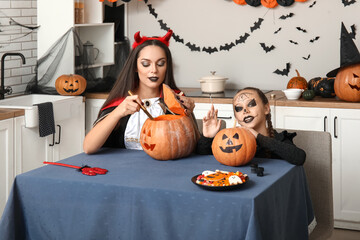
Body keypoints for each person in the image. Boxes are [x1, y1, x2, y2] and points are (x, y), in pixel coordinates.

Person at [83, 29, 195, 154]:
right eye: (146, 64)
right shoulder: (121, 103)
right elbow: (88, 148)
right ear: (135, 67)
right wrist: (117, 112)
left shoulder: (177, 100)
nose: (154, 70)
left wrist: (207, 134)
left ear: (167, 66)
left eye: (161, 63)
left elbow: (191, 146)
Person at [196, 87, 306, 165]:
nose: (245, 111)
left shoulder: (279, 139)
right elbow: (201, 160)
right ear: (236, 118)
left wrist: (258, 137)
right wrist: (207, 138)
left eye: (251, 104)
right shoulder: (232, 141)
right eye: (239, 108)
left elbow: (299, 157)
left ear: (266, 108)